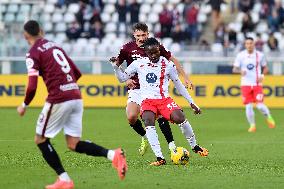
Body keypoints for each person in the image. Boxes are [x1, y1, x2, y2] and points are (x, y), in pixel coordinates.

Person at [17, 20, 127, 189]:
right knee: (73, 143)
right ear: (41, 30)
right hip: (76, 95)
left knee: (40, 139)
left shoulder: (33, 53)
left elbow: (32, 86)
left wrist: (24, 104)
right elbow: (77, 73)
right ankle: (114, 155)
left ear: (25, 36)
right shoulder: (56, 46)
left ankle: (65, 180)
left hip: (59, 98)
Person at [111, 37, 208, 166]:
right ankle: (159, 158)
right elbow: (122, 78)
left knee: (180, 117)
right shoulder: (138, 63)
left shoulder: (167, 65)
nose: (153, 55)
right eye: (150, 53)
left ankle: (195, 146)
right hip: (147, 101)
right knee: (148, 120)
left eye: (156, 52)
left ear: (159, 50)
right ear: (145, 52)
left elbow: (178, 84)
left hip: (164, 100)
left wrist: (192, 102)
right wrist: (116, 68)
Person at [232, 37, 276, 132]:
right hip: (245, 84)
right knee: (248, 106)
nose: (249, 45)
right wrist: (240, 71)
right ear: (245, 45)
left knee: (260, 105)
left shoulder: (259, 55)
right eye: (247, 43)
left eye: (251, 43)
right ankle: (252, 125)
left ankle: (269, 117)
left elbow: (265, 68)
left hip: (257, 84)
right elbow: (234, 69)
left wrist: (263, 75)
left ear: (254, 44)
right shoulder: (240, 55)